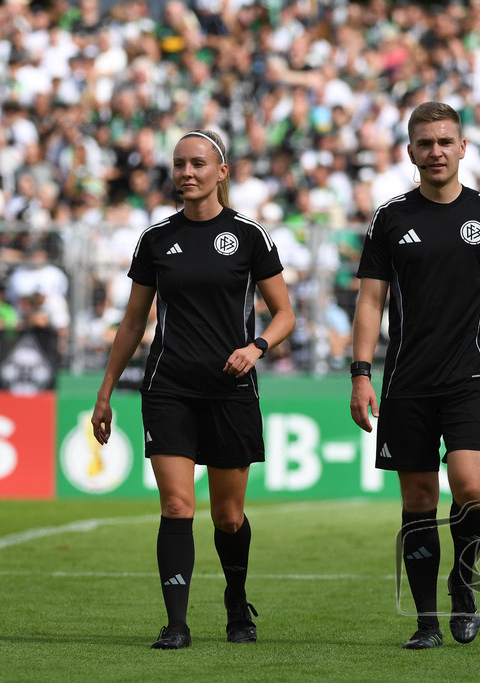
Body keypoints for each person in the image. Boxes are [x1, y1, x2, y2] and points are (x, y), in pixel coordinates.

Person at [91, 130, 295, 649]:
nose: (186, 172)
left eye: (198, 163)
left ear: (221, 172)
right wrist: (106, 391)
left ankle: (235, 600)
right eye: (179, 164)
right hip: (170, 388)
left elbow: (285, 314)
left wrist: (257, 347)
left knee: (228, 516)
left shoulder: (250, 236)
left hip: (231, 390)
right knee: (177, 506)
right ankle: (176, 623)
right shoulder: (156, 239)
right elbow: (133, 322)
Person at [349, 102, 480, 649]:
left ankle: (463, 584)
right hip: (405, 383)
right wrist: (361, 373)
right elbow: (370, 301)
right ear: (410, 151)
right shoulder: (390, 218)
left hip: (470, 379)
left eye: (444, 142)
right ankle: (426, 622)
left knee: (472, 489)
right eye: (424, 143)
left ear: (462, 148)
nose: (435, 151)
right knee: (416, 502)